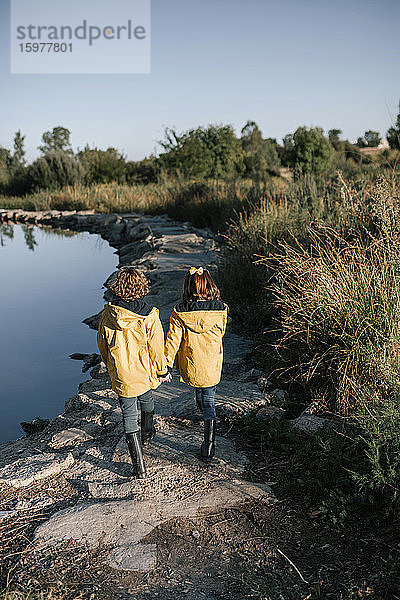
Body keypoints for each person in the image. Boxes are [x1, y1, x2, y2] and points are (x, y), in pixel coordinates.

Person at [97, 266, 171, 479]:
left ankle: (139, 467)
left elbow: (102, 343)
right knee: (147, 398)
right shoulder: (149, 315)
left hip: (123, 372)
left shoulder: (108, 314)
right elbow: (157, 347)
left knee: (129, 414)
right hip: (144, 370)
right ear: (142, 287)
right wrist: (161, 370)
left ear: (118, 288)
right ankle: (148, 432)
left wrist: (107, 362)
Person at [164, 266, 228, 463]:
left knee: (201, 398)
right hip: (212, 362)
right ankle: (209, 444)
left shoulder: (180, 312)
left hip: (192, 363)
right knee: (208, 399)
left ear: (187, 287)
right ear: (209, 285)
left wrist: (165, 365)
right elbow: (221, 333)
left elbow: (172, 341)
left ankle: (207, 434)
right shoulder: (221, 309)